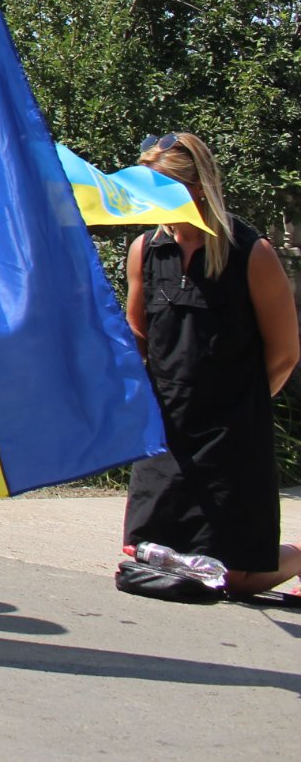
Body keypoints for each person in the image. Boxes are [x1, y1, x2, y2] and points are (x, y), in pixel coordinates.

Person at [124, 132, 300, 596]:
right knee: (148, 563)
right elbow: (138, 332)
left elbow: (284, 352)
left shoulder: (250, 252)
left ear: (196, 188)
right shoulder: (146, 250)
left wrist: (244, 411)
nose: (148, 198)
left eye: (160, 187)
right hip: (166, 430)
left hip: (231, 436)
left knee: (235, 579)